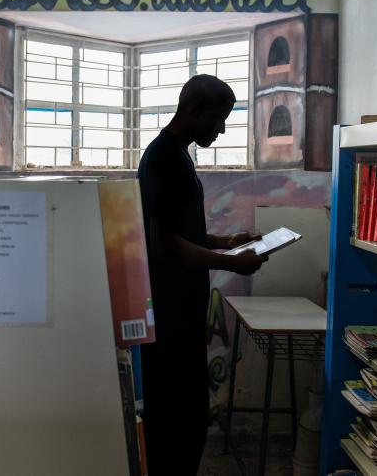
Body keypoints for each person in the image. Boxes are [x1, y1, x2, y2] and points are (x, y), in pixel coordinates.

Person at [137, 74, 268, 475]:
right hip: (169, 316)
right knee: (178, 421)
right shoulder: (163, 159)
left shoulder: (177, 155)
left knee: (187, 417)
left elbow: (181, 233)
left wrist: (225, 241)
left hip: (182, 313)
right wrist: (233, 263)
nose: (222, 129)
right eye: (219, 120)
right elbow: (163, 246)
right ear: (195, 111)